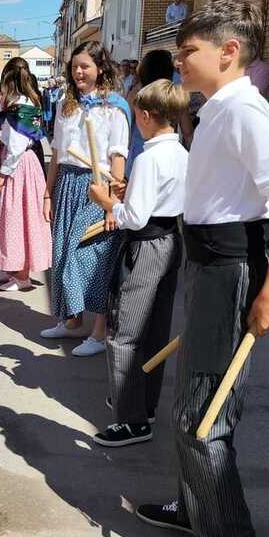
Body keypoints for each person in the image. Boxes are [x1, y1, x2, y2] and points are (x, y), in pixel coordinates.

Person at [137, 0, 269, 537]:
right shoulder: (218, 109)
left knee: (204, 419)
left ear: (227, 52)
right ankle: (194, 509)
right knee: (193, 397)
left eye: (188, 53)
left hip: (230, 271)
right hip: (207, 264)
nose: (179, 62)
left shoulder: (246, 112)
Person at [87, 79, 188, 447]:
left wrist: (106, 201)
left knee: (125, 333)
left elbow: (134, 217)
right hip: (170, 241)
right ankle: (143, 406)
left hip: (145, 246)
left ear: (145, 116)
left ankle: (131, 420)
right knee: (155, 331)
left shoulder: (147, 157)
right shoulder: (182, 153)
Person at [42, 41, 130, 357]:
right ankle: (71, 321)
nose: (79, 71)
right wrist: (48, 192)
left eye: (85, 66)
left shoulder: (114, 107)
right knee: (63, 256)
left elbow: (118, 156)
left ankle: (98, 331)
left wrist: (112, 202)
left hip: (99, 186)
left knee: (92, 261)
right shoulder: (67, 105)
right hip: (67, 183)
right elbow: (55, 154)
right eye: (75, 66)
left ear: (100, 68)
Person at [0, 58, 52, 291]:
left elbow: (17, 144)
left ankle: (21, 275)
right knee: (14, 217)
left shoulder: (20, 105)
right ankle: (10, 268)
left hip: (20, 165)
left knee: (19, 219)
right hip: (26, 163)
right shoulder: (25, 101)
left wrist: (3, 174)